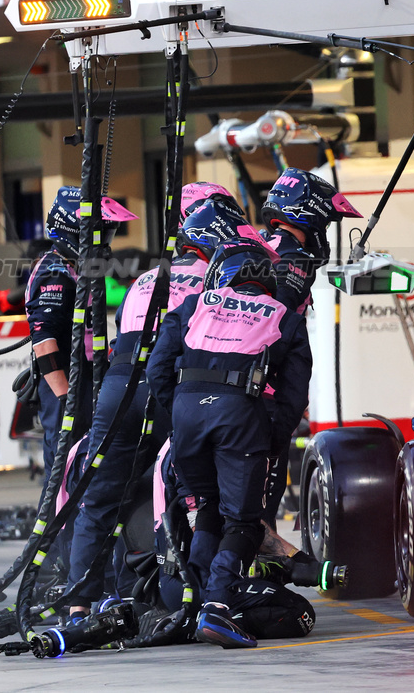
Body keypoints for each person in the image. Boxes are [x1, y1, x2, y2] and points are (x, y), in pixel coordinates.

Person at [64, 191, 254, 618]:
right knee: (193, 493)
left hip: (118, 386)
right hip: (169, 383)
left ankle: (81, 605)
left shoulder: (146, 277)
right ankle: (191, 592)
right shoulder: (216, 278)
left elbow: (117, 334)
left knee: (100, 497)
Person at [147, 239, 311, 648]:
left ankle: (196, 602)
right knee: (242, 521)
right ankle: (218, 607)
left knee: (207, 509)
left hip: (186, 414)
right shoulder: (286, 318)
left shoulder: (191, 307)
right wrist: (270, 440)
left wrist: (182, 414)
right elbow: (293, 397)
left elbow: (156, 370)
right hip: (240, 417)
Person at [259, 168, 360, 523]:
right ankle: (251, 570)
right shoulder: (294, 259)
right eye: (325, 222)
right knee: (258, 503)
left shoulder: (255, 244)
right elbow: (275, 330)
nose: (324, 232)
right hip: (261, 399)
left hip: (222, 392)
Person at [26, 186, 137, 479]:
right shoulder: (55, 272)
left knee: (92, 470)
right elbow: (43, 341)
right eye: (98, 234)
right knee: (64, 476)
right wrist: (66, 398)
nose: (105, 243)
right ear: (72, 232)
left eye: (108, 235)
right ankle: (55, 526)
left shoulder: (82, 267)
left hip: (91, 377)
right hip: (68, 383)